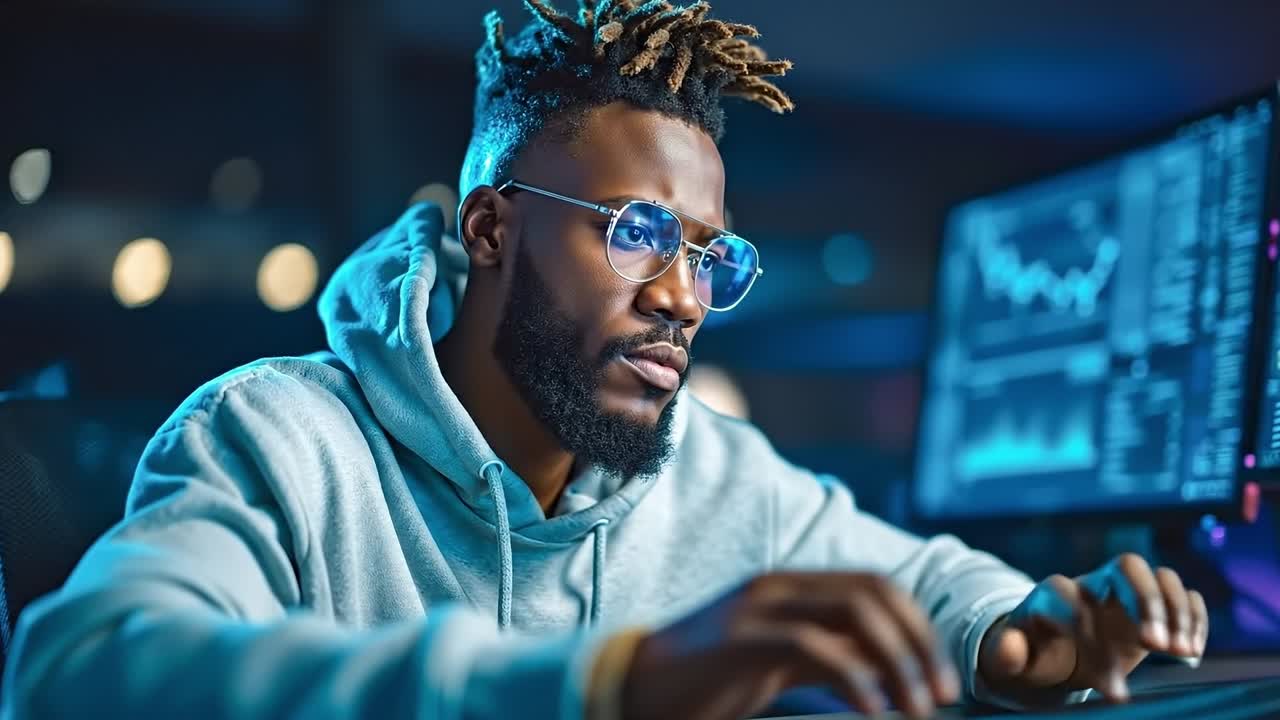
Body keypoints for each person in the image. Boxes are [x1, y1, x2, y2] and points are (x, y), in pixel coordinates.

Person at [2, 2, 1208, 719]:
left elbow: (924, 581)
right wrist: (612, 683)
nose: (683, 297)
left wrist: (1028, 639)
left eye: (708, 257)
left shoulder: (717, 478)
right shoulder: (274, 438)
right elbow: (73, 670)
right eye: (634, 233)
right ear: (490, 229)